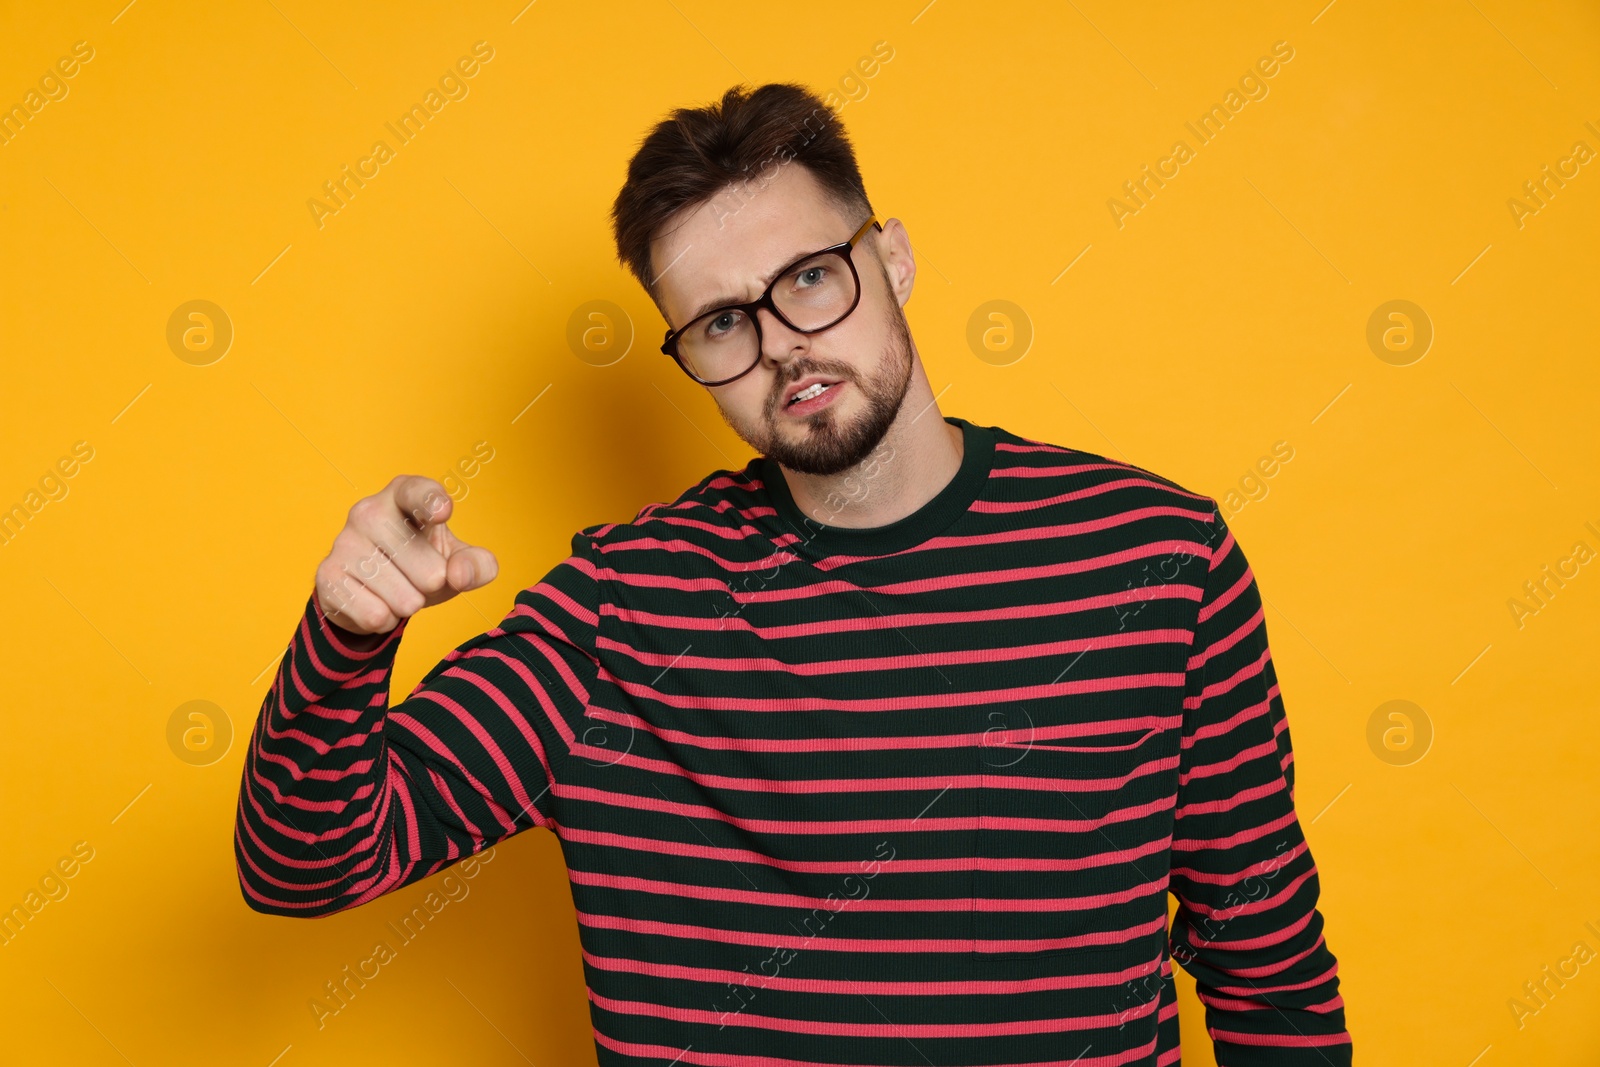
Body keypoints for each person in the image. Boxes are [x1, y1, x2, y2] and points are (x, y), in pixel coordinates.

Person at [235, 81, 1352, 1066]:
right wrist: (346, 635)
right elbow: (308, 861)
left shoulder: (1154, 555)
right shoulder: (621, 609)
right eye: (723, 320)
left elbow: (1265, 965)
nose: (781, 344)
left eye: (811, 277)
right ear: (686, 355)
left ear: (894, 255)